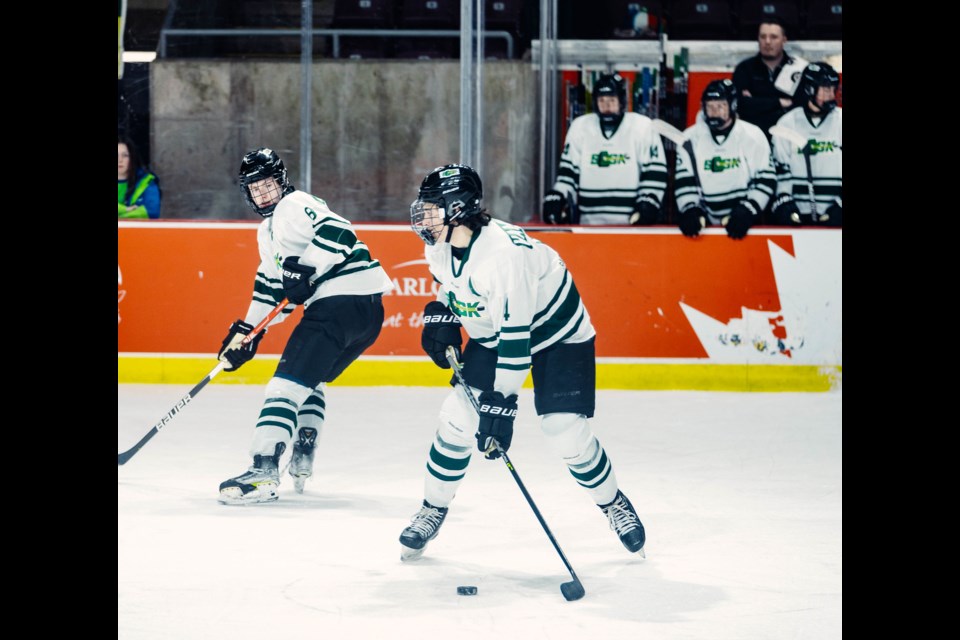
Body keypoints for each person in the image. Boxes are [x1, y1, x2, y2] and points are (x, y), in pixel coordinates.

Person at [400, 163, 646, 560]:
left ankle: (612, 502)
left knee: (563, 429)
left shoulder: (503, 257)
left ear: (459, 209)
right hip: (496, 333)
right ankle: (432, 507)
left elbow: (518, 338)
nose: (424, 215)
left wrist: (503, 404)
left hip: (558, 336)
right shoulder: (439, 243)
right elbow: (447, 284)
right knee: (457, 419)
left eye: (433, 206)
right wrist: (441, 310)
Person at [217, 148, 393, 504]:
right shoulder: (267, 233)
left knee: (284, 387)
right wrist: (246, 334)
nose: (263, 194)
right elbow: (271, 289)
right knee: (309, 381)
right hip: (367, 314)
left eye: (267, 185)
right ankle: (304, 447)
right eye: (255, 188)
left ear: (281, 181)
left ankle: (264, 468)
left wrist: (307, 265)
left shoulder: (293, 205)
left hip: (339, 304)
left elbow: (339, 231)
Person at [542, 72, 667, 225]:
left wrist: (649, 202)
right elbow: (568, 176)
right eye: (601, 100)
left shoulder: (642, 127)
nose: (606, 106)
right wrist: (558, 196)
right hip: (588, 225)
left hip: (631, 226)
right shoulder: (580, 127)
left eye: (612, 100)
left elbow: (654, 174)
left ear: (622, 101)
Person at [675, 79, 776, 240]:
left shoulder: (753, 135)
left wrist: (748, 210)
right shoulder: (689, 138)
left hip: (747, 224)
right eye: (710, 106)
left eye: (720, 106)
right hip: (705, 228)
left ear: (732, 106)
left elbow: (766, 178)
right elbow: (685, 181)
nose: (714, 112)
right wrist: (690, 208)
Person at [769, 62, 842, 227]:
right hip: (799, 216)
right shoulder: (787, 124)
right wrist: (785, 202)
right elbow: (781, 169)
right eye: (824, 89)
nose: (830, 94)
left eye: (832, 88)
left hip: (836, 213)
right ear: (809, 89)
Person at [732, 17, 808, 140]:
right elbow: (740, 105)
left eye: (773, 37)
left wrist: (756, 102)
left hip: (790, 137)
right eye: (763, 37)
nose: (767, 42)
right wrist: (779, 102)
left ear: (784, 40)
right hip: (752, 138)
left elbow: (800, 106)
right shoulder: (744, 69)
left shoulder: (799, 69)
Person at [118, 136, 161, 219]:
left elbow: (152, 212)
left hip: (135, 231)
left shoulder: (146, 181)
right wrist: (125, 210)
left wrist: (121, 220)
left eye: (125, 155)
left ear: (132, 158)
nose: (120, 160)